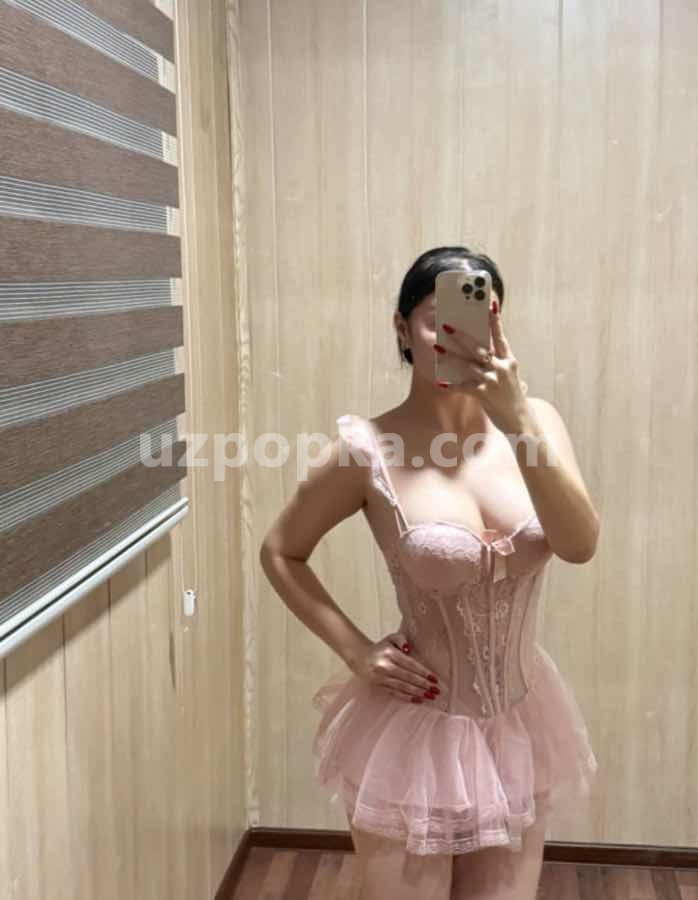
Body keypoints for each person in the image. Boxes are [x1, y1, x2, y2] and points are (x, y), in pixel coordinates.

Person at [260, 246, 599, 899]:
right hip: (414, 732)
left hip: (521, 724)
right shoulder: (367, 450)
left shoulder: (537, 424)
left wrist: (518, 422)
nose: (456, 335)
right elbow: (280, 551)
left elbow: (579, 544)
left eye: (479, 316)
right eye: (434, 319)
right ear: (401, 329)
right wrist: (356, 650)